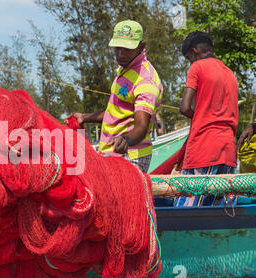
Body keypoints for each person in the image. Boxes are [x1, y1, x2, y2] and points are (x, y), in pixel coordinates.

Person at [65, 20, 163, 173]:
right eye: (117, 48)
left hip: (131, 155)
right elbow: (116, 113)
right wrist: (84, 117)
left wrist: (127, 139)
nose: (120, 54)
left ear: (141, 46)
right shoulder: (125, 71)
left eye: (127, 49)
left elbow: (141, 125)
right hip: (111, 152)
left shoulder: (145, 80)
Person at [175, 31, 239, 206]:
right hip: (228, 152)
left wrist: (199, 116)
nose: (190, 62)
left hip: (204, 150)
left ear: (194, 52)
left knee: (186, 213)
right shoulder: (229, 73)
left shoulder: (197, 67)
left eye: (189, 58)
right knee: (219, 214)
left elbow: (185, 107)